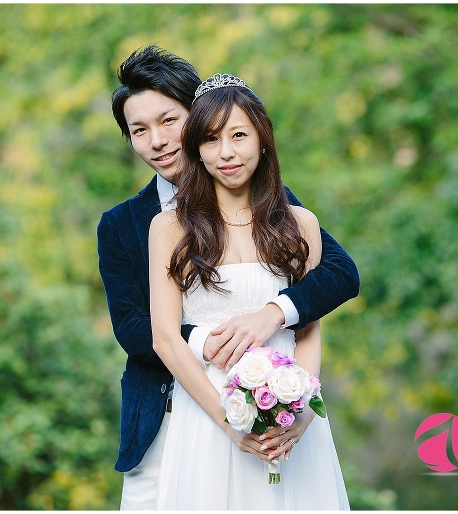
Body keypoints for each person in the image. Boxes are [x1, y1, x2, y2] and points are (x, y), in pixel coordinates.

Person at [97, 46, 358, 509]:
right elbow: (135, 329)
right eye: (140, 131)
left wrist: (272, 315)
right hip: (170, 419)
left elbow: (337, 275)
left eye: (169, 121)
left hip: (277, 414)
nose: (157, 141)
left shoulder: (271, 202)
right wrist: (213, 341)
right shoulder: (126, 226)